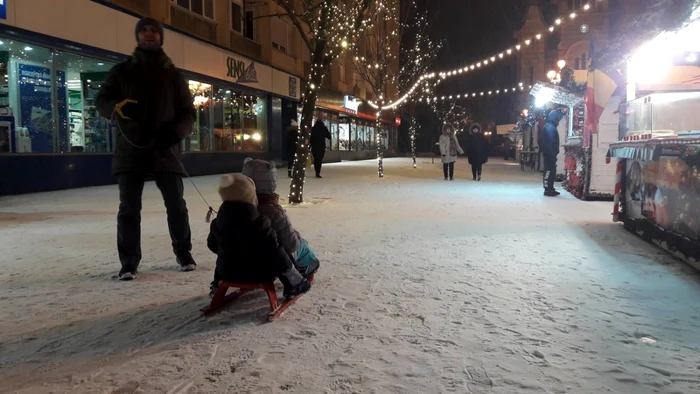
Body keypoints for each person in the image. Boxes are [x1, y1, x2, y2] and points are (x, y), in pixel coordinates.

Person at [96, 17, 197, 280]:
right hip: (131, 149)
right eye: (144, 30)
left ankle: (184, 253)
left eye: (154, 30)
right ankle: (129, 262)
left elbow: (188, 112)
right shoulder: (121, 72)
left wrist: (176, 132)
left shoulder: (173, 76)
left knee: (176, 205)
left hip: (166, 149)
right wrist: (115, 109)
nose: (149, 34)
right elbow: (102, 99)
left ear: (161, 36)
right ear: (137, 36)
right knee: (129, 208)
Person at [207, 173, 311, 299]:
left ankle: (216, 285)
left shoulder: (217, 223)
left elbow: (212, 245)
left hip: (226, 273)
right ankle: (294, 285)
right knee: (281, 250)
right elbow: (276, 252)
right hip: (256, 274)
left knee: (225, 256)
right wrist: (294, 276)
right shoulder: (259, 224)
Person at [242, 158, 320, 277]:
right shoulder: (273, 211)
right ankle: (307, 265)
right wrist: (296, 236)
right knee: (301, 243)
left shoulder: (233, 208)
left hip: (238, 263)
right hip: (268, 265)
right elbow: (291, 244)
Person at [540, 109, 564, 197]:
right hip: (550, 154)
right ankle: (548, 189)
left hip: (548, 153)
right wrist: (553, 153)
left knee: (549, 170)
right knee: (549, 171)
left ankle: (549, 188)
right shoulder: (550, 128)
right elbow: (551, 142)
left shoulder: (548, 126)